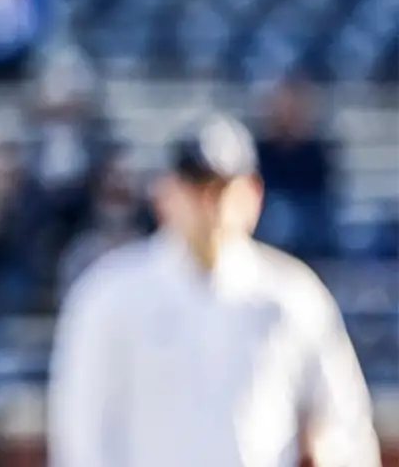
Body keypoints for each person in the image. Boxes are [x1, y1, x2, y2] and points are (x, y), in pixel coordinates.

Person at [47, 113, 378, 467]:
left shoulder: (292, 296)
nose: (210, 205)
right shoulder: (110, 295)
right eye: (196, 187)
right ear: (165, 194)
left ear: (254, 195)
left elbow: (344, 424)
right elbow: (80, 433)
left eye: (222, 189)